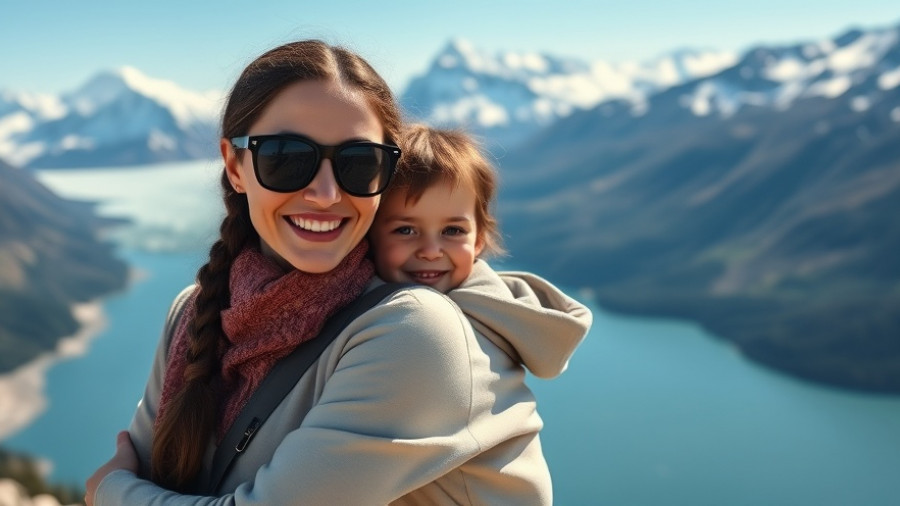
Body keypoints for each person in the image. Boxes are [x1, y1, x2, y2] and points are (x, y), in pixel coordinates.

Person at [85, 40, 591, 506]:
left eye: (358, 162)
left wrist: (109, 492)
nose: (326, 194)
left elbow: (134, 477)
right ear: (234, 166)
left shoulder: (412, 331)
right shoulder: (194, 314)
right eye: (286, 158)